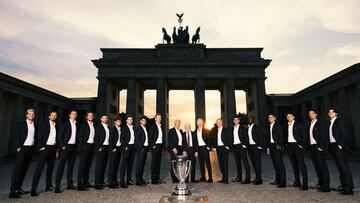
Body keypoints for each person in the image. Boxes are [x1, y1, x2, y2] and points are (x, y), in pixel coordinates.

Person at [9, 109, 38, 199]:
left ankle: (18, 188)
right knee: (17, 170)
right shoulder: (21, 124)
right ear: (26, 115)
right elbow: (16, 136)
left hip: (31, 149)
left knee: (24, 170)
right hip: (23, 149)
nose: (31, 115)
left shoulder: (35, 125)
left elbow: (36, 137)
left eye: (33, 114)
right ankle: (12, 192)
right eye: (30, 114)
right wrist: (18, 147)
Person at [31, 111, 58, 196]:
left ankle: (48, 186)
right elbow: (39, 136)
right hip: (45, 148)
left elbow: (56, 138)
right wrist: (42, 148)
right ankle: (33, 190)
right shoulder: (44, 124)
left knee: (50, 169)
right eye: (52, 115)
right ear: (49, 116)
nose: (54, 116)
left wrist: (56, 150)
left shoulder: (56, 125)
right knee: (39, 169)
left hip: (53, 148)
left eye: (55, 115)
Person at [327, 108, 354, 195]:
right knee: (340, 167)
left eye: (332, 112)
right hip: (333, 146)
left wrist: (340, 146)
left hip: (338, 146)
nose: (330, 113)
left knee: (344, 167)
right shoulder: (330, 122)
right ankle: (344, 185)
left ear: (336, 113)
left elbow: (344, 135)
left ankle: (349, 188)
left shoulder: (339, 121)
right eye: (329, 112)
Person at [55, 110, 79, 193]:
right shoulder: (65, 124)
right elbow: (60, 136)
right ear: (69, 115)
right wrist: (62, 146)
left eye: (75, 114)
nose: (74, 115)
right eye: (72, 114)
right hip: (66, 147)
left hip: (73, 147)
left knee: (71, 167)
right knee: (61, 167)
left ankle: (70, 184)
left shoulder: (77, 124)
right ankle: (57, 186)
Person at [307, 110, 330, 192]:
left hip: (318, 147)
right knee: (317, 166)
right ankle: (320, 183)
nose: (310, 115)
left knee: (322, 167)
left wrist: (320, 147)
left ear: (316, 114)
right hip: (312, 147)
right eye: (309, 114)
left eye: (312, 113)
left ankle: (326, 186)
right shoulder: (310, 124)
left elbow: (323, 136)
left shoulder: (319, 123)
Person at [285, 112, 308, 190]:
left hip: (297, 145)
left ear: (294, 117)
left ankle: (305, 184)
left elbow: (304, 135)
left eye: (290, 116)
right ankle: (297, 182)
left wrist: (301, 145)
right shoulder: (287, 125)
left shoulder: (299, 124)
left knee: (301, 165)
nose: (288, 117)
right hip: (290, 146)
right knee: (294, 165)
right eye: (287, 116)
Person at [266, 113, 286, 188]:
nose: (270, 118)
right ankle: (277, 180)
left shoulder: (278, 126)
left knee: (280, 164)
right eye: (269, 117)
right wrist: (268, 148)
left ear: (275, 118)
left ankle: (283, 182)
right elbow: (268, 138)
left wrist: (279, 145)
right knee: (275, 164)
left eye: (271, 117)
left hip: (276, 146)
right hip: (271, 146)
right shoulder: (269, 126)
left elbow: (281, 136)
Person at [77, 112, 96, 191]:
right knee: (82, 166)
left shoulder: (94, 125)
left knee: (88, 165)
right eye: (89, 115)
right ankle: (79, 185)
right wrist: (83, 146)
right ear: (86, 117)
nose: (90, 116)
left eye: (92, 115)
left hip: (92, 146)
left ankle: (86, 182)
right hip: (85, 146)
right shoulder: (83, 125)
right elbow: (80, 136)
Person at [229, 115, 250, 184]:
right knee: (238, 163)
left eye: (237, 120)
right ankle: (239, 178)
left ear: (239, 121)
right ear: (233, 121)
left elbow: (246, 137)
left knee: (245, 162)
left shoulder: (243, 128)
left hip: (241, 146)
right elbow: (231, 138)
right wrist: (231, 146)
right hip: (235, 147)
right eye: (234, 120)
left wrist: (244, 145)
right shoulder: (232, 129)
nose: (235, 121)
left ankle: (247, 179)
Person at [94, 115, 110, 190]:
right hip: (101, 147)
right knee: (99, 166)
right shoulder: (98, 126)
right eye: (103, 118)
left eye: (106, 118)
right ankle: (97, 184)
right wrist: (98, 147)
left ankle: (101, 181)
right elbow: (96, 137)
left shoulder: (108, 126)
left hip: (107, 147)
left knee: (104, 165)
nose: (105, 119)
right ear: (101, 119)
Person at [149, 113, 166, 184]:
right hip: (155, 146)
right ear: (155, 118)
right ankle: (153, 179)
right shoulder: (152, 126)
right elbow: (150, 137)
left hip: (160, 146)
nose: (159, 119)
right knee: (154, 163)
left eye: (160, 118)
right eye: (158, 117)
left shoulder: (161, 127)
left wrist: (163, 146)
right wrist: (153, 145)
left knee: (158, 163)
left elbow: (162, 137)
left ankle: (158, 178)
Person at [119, 115, 136, 188]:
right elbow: (121, 139)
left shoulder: (133, 128)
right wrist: (125, 147)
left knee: (130, 164)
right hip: (127, 147)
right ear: (126, 121)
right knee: (124, 165)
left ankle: (129, 180)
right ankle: (122, 182)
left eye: (131, 119)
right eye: (129, 119)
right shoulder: (124, 128)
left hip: (132, 147)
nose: (130, 121)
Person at [246, 116, 263, 185]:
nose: (250, 120)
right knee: (253, 163)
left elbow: (261, 136)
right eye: (249, 119)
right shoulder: (247, 128)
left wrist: (259, 146)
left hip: (256, 147)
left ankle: (259, 179)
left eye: (251, 119)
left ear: (254, 120)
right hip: (250, 147)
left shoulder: (257, 127)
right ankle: (257, 178)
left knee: (257, 163)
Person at [195, 118, 213, 183]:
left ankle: (210, 178)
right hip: (199, 149)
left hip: (205, 148)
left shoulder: (206, 130)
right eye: (198, 122)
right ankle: (203, 177)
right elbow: (196, 143)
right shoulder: (195, 131)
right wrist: (196, 151)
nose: (199, 123)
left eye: (200, 122)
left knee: (207, 163)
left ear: (202, 123)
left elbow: (209, 139)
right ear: (197, 123)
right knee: (201, 164)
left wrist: (208, 147)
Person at [213, 118, 230, 184]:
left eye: (220, 122)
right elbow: (214, 139)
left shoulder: (226, 129)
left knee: (225, 163)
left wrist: (227, 146)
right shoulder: (215, 131)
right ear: (216, 124)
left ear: (222, 123)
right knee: (220, 163)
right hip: (218, 148)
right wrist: (214, 147)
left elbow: (229, 138)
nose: (218, 123)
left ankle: (226, 179)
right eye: (217, 123)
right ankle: (223, 177)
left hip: (224, 147)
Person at [108, 116, 122, 188]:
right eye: (117, 121)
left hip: (119, 149)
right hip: (114, 149)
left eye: (119, 121)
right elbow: (110, 140)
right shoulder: (113, 129)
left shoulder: (120, 129)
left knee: (116, 166)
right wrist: (113, 148)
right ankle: (111, 183)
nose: (119, 122)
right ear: (115, 122)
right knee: (112, 166)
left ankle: (114, 181)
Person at [135, 116, 149, 186]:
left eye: (145, 121)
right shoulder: (139, 129)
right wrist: (141, 148)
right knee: (139, 165)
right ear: (140, 121)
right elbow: (137, 140)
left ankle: (141, 179)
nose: (144, 122)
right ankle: (138, 181)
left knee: (142, 164)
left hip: (145, 148)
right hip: (141, 149)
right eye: (143, 120)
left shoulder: (145, 129)